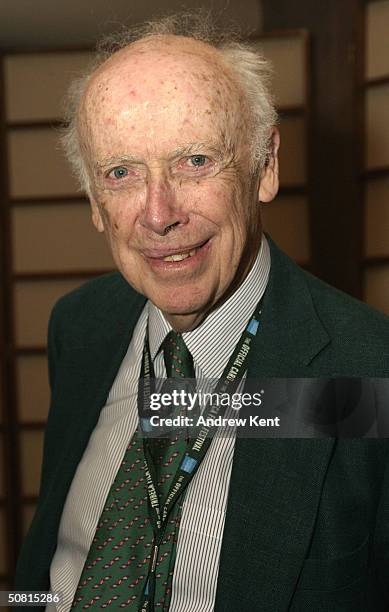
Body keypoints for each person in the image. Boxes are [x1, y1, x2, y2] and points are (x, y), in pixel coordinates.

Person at [15, 12, 389, 612]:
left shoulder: (369, 372)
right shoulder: (78, 328)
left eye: (194, 161)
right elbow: (56, 561)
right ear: (93, 199)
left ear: (264, 166)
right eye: (120, 173)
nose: (159, 214)